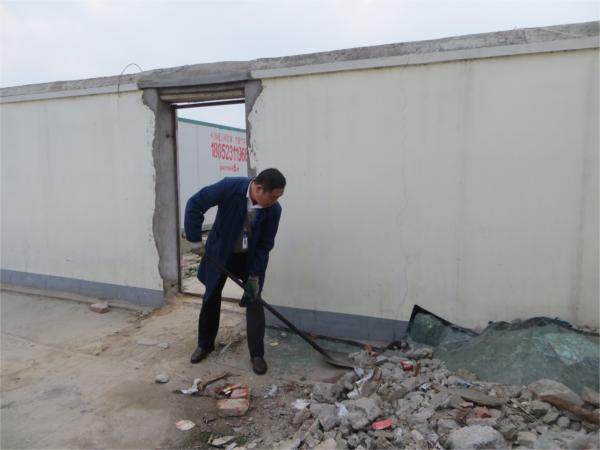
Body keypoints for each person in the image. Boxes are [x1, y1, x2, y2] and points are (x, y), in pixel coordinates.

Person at [184, 168, 286, 375]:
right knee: (211, 296)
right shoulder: (229, 187)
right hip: (220, 252)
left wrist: (254, 276)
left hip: (248, 258)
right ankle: (205, 345)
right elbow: (195, 204)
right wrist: (194, 238)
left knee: (254, 299)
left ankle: (257, 354)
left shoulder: (273, 210)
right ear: (259, 188)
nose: (275, 201)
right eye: (273, 196)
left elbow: (264, 245)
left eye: (278, 197)